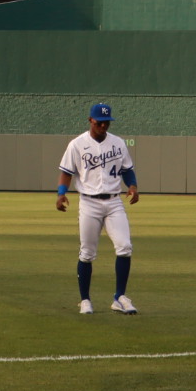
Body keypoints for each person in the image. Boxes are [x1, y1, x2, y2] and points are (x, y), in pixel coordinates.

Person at [56, 101, 140, 314]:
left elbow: (127, 169)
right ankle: (85, 300)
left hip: (114, 202)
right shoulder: (76, 144)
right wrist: (61, 194)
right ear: (91, 120)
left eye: (106, 123)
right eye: (100, 122)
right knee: (87, 253)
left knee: (125, 247)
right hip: (89, 202)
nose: (103, 126)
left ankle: (119, 297)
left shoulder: (118, 143)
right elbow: (67, 172)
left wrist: (132, 186)